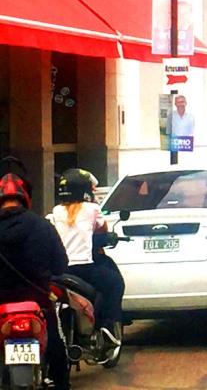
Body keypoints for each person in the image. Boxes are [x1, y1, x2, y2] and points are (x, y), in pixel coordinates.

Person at [0, 166, 70, 390]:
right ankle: (60, 382)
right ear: (25, 198)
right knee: (57, 344)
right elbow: (61, 265)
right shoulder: (43, 226)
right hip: (38, 302)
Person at [48, 169, 125, 344]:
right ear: (84, 189)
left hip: (60, 270)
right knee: (115, 283)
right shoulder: (92, 209)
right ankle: (107, 326)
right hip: (85, 269)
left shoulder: (56, 211)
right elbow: (102, 230)